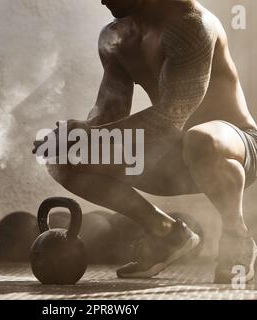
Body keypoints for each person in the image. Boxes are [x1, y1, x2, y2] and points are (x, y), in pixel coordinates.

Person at [33, 0, 257, 283]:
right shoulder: (116, 36)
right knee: (63, 158)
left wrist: (91, 136)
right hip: (168, 154)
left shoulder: (191, 24)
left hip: (234, 148)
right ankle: (167, 233)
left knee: (200, 138)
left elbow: (171, 117)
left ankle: (237, 234)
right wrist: (77, 136)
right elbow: (110, 112)